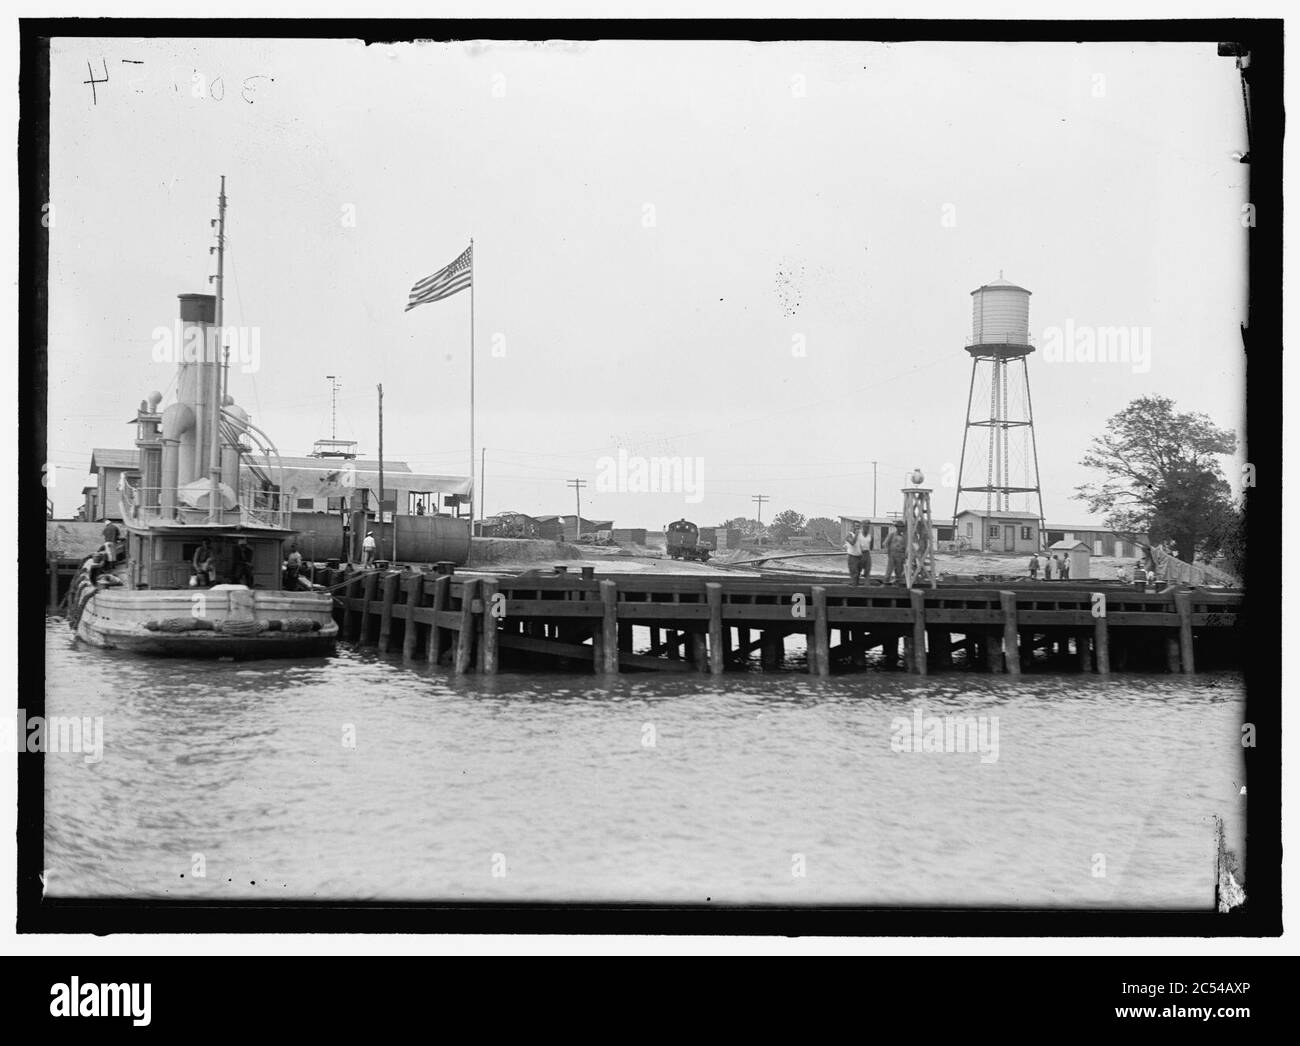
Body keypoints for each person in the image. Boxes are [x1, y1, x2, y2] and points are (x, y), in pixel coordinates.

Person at [845, 520, 872, 586]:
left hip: (859, 557)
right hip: (852, 557)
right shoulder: (849, 535)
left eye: (858, 527)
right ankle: (853, 591)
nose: (857, 528)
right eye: (856, 526)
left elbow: (864, 545)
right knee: (854, 575)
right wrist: (857, 534)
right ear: (852, 527)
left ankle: (858, 590)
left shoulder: (860, 535)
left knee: (858, 575)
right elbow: (852, 543)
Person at [883, 520, 907, 585]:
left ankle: (898, 584)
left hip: (900, 555)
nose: (901, 528)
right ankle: (885, 583)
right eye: (900, 527)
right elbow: (885, 543)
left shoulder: (904, 537)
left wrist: (904, 555)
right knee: (889, 570)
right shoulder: (892, 534)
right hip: (892, 554)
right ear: (897, 527)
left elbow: (905, 547)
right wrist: (888, 552)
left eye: (902, 527)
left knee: (899, 571)